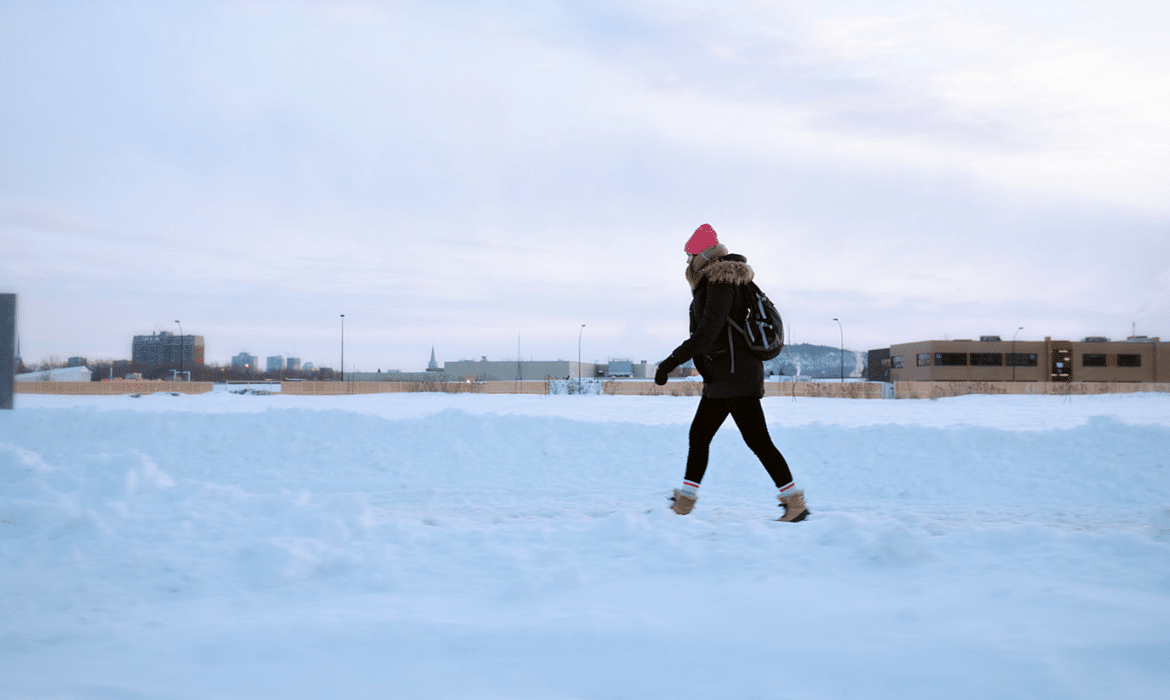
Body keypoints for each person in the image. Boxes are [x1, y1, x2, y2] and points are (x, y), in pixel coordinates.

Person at [655, 224, 809, 522]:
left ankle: (795, 503)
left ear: (703, 254)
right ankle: (685, 501)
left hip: (737, 377)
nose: (687, 262)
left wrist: (668, 363)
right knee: (699, 435)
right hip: (722, 377)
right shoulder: (713, 283)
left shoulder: (721, 282)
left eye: (690, 255)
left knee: (757, 440)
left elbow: (707, 333)